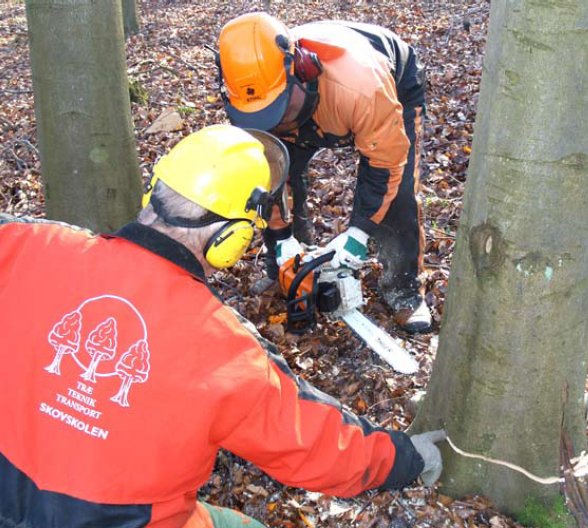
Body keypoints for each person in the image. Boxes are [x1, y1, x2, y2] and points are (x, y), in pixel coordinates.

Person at [0, 125, 445, 528]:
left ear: (154, 190)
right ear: (230, 239)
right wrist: (406, 459)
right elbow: (313, 443)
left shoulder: (24, 245)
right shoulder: (224, 351)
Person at [216, 12, 431, 333]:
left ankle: (404, 291)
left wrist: (357, 235)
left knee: (397, 194)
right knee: (273, 174)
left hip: (387, 86)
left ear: (301, 69)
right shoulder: (252, 91)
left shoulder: (362, 87)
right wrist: (282, 241)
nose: (276, 122)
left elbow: (386, 166)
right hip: (320, 101)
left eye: (280, 109)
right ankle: (286, 270)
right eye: (262, 115)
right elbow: (268, 179)